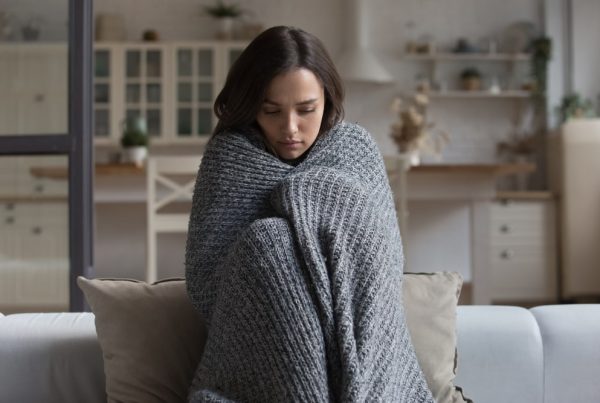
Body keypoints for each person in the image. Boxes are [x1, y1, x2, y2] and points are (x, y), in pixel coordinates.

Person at [185, 26, 434, 402]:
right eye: (271, 110)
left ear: (327, 101)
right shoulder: (227, 160)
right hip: (259, 344)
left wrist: (309, 198)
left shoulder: (354, 152)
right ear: (250, 105)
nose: (290, 128)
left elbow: (382, 261)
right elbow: (208, 281)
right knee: (269, 243)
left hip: (352, 327)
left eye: (306, 110)